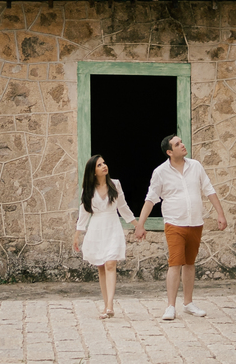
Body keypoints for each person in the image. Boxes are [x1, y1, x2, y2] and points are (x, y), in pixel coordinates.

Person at [134, 134, 227, 320]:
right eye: (177, 144)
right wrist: (140, 224)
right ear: (169, 152)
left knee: (190, 263)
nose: (182, 145)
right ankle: (170, 306)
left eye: (181, 142)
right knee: (175, 263)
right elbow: (151, 199)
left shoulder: (196, 166)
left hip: (195, 222)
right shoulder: (160, 172)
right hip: (174, 223)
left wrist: (220, 214)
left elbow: (209, 189)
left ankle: (188, 303)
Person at [73, 154, 135, 319]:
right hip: (96, 229)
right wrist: (77, 234)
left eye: (104, 163)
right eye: (99, 165)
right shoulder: (88, 190)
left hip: (112, 227)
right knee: (101, 267)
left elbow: (123, 206)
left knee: (110, 264)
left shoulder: (115, 184)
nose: (104, 166)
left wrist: (137, 224)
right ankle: (106, 303)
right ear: (93, 171)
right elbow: (84, 213)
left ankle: (110, 305)